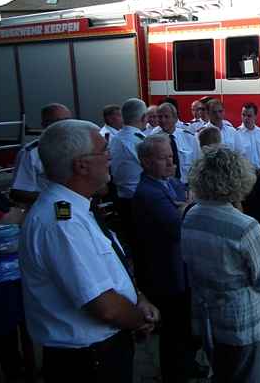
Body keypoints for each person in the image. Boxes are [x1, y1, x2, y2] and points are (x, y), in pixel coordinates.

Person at [19, 119, 159, 383]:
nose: (110, 157)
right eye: (104, 151)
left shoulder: (75, 209)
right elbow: (105, 307)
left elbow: (110, 270)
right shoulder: (63, 224)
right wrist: (138, 319)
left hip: (98, 353)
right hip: (88, 362)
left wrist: (138, 297)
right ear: (81, 165)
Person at [182, 146, 260, 383]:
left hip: (206, 317)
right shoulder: (245, 226)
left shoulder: (189, 215)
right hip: (240, 320)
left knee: (221, 372)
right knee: (247, 376)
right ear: (239, 179)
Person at [132, 134, 193, 383]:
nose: (171, 163)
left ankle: (186, 365)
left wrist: (185, 204)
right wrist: (187, 206)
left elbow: (187, 196)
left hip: (180, 267)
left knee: (184, 326)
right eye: (163, 158)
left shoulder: (168, 182)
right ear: (146, 162)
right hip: (166, 274)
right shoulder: (148, 192)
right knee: (174, 330)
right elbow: (180, 225)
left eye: (171, 157)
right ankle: (174, 374)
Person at [10, 103, 72, 205]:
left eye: (68, 121)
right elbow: (18, 192)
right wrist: (57, 199)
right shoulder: (31, 153)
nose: (65, 125)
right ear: (44, 125)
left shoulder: (81, 147)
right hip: (51, 211)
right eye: (58, 121)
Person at [108, 98, 147, 249]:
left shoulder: (115, 138)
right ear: (144, 118)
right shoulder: (139, 140)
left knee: (133, 243)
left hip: (121, 198)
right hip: (138, 200)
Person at [152, 103, 201, 184]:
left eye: (166, 117)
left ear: (175, 118)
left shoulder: (189, 138)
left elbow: (197, 164)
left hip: (186, 186)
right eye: (160, 117)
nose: (163, 120)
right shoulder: (153, 140)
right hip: (164, 187)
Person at [237, 102, 260, 170]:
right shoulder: (236, 134)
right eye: (243, 115)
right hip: (246, 175)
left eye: (249, 116)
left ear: (255, 116)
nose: (245, 118)